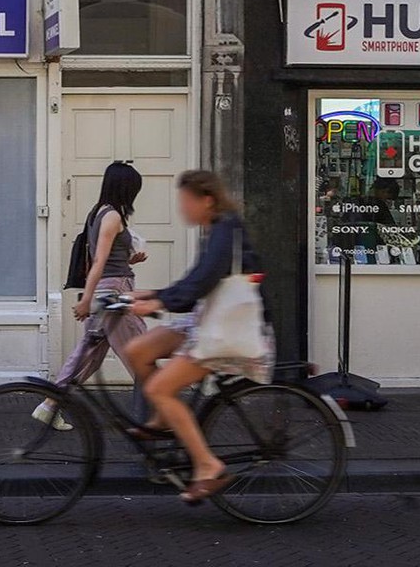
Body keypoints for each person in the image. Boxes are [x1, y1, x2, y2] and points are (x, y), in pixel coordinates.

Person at [124, 169, 262, 506]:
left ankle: (208, 466)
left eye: (186, 201)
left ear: (207, 200)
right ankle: (164, 419)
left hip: (224, 328)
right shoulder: (214, 229)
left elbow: (202, 282)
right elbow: (196, 281)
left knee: (159, 388)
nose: (182, 208)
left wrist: (158, 302)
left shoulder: (225, 229)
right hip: (206, 317)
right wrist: (153, 294)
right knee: (137, 350)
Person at [51, 161, 145, 388]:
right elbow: (99, 261)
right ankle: (156, 406)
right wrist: (85, 300)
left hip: (106, 289)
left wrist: (129, 260)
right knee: (142, 352)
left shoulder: (97, 212)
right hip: (115, 292)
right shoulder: (112, 217)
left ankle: (51, 401)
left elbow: (104, 258)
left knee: (89, 354)